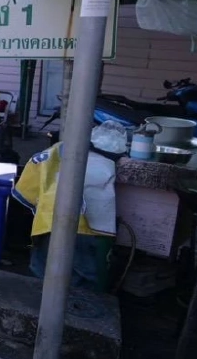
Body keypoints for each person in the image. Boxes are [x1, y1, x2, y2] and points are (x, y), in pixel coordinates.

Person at [12, 124, 120, 291]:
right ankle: (77, 310)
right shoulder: (106, 163)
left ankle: (42, 306)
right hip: (85, 226)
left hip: (47, 219)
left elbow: (25, 191)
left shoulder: (56, 150)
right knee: (83, 276)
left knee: (43, 270)